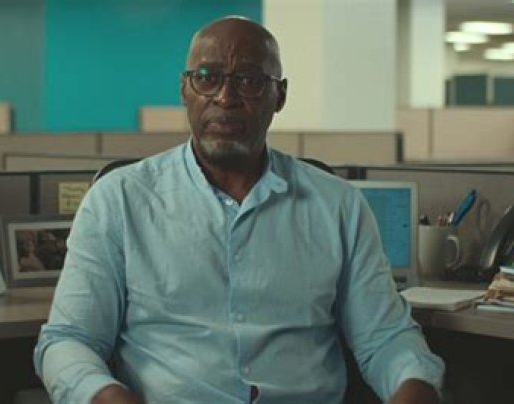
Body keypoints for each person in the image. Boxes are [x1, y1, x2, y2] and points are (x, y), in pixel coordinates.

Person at [34, 16, 444, 404]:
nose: (225, 98)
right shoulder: (119, 200)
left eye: (248, 81)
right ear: (185, 90)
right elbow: (69, 341)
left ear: (279, 96)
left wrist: (415, 384)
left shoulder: (338, 205)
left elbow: (386, 338)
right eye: (206, 77)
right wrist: (106, 396)